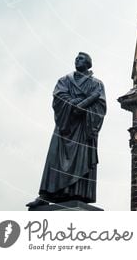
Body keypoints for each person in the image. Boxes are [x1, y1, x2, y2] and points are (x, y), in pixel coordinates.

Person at [27, 52, 106, 208]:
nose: (77, 60)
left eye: (81, 58)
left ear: (89, 64)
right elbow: (59, 97)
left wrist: (84, 109)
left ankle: (77, 192)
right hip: (65, 126)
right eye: (76, 58)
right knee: (54, 159)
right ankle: (45, 195)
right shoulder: (64, 81)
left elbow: (100, 106)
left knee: (80, 159)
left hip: (83, 127)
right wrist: (74, 103)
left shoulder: (97, 84)